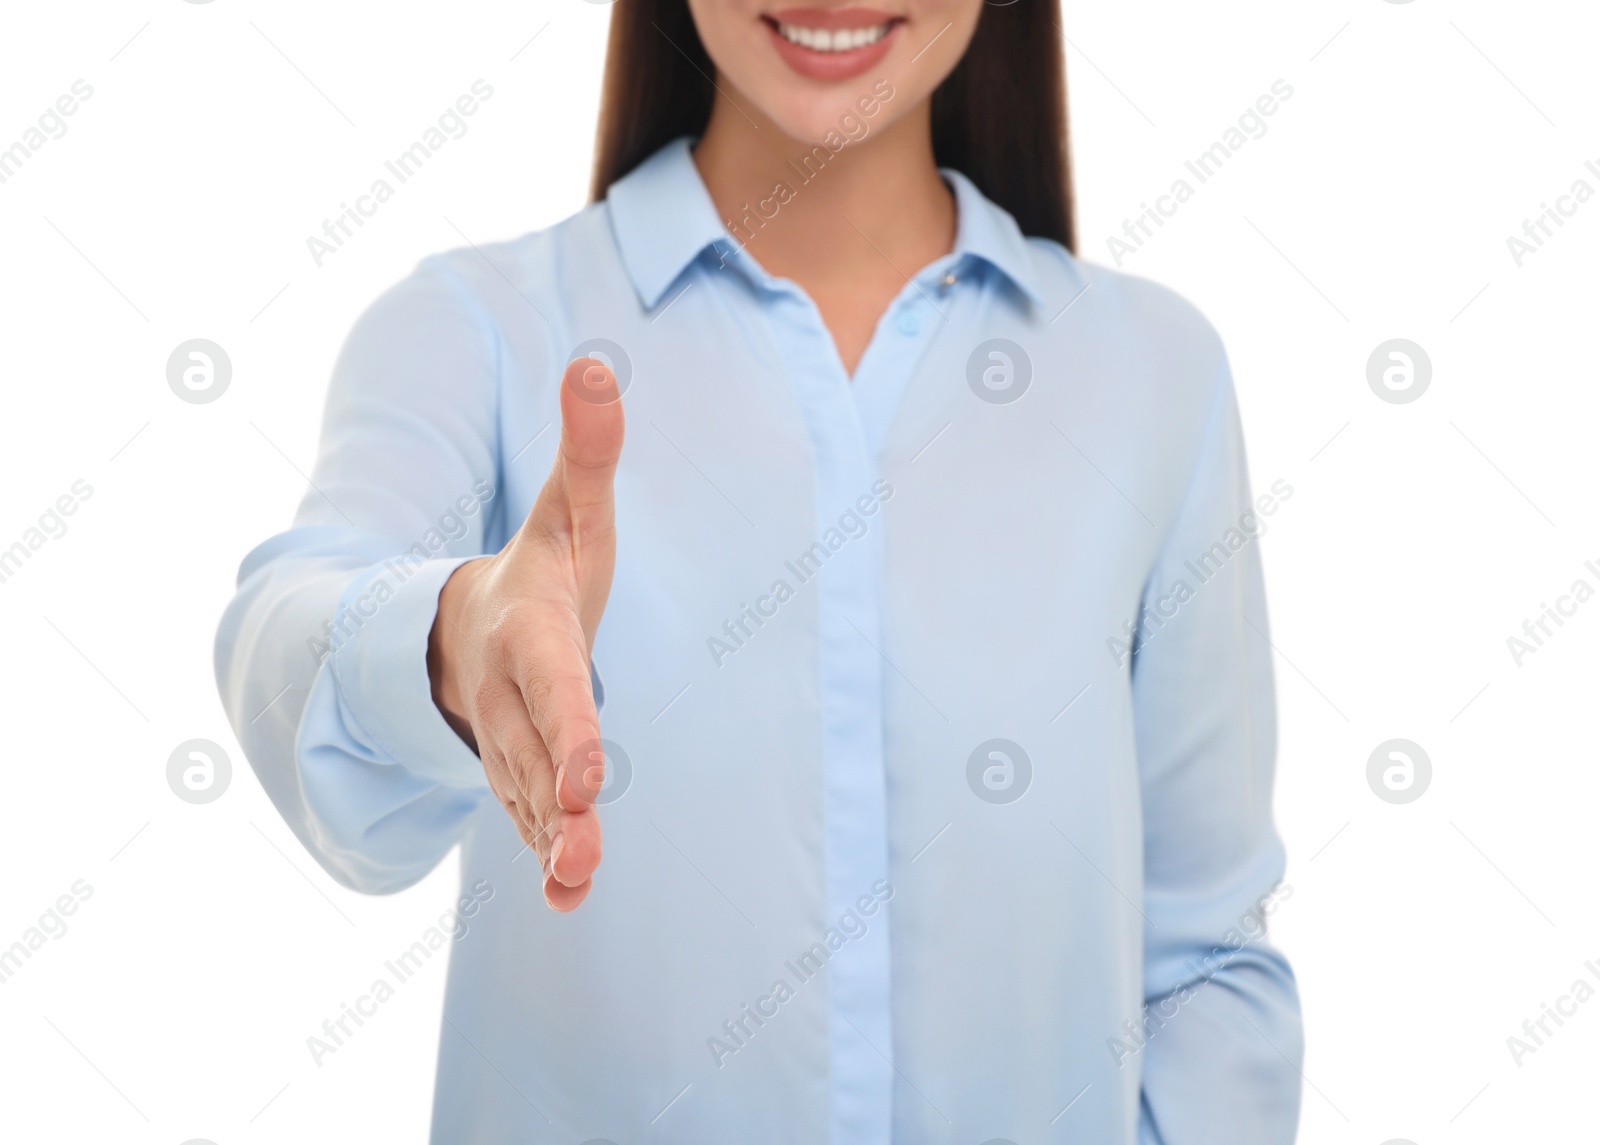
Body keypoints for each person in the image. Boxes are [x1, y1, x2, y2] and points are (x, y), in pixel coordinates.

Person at [216, 0, 1304, 1140]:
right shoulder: (478, 329)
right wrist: (449, 636)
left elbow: (1206, 959)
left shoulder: (1152, 373)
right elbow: (293, 630)